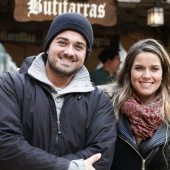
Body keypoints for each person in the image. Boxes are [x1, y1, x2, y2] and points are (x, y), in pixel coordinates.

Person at [0, 13, 117, 170]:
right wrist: (69, 167)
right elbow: (6, 144)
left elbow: (101, 156)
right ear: (48, 46)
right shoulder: (11, 85)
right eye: (62, 43)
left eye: (78, 46)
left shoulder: (99, 101)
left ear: (86, 54)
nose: (69, 52)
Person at [101, 38, 170, 170]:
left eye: (154, 69)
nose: (146, 75)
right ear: (128, 71)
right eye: (139, 68)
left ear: (163, 74)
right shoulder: (107, 105)